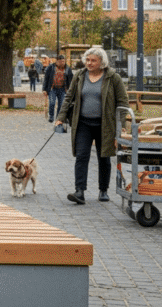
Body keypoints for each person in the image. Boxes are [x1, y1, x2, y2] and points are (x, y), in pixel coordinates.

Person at [55, 47, 129, 205]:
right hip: (83, 123)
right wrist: (60, 117)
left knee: (104, 157)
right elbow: (69, 97)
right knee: (82, 156)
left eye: (93, 60)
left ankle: (103, 190)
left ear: (102, 62)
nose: (89, 63)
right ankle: (79, 191)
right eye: (87, 60)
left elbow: (123, 103)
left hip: (105, 124)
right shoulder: (80, 76)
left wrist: (121, 126)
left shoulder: (113, 78)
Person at [43, 54, 73, 123]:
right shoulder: (51, 67)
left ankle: (58, 117)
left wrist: (70, 89)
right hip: (52, 88)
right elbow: (46, 78)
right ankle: (51, 116)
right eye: (60, 61)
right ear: (56, 61)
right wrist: (44, 89)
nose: (62, 63)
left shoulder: (68, 69)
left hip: (62, 89)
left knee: (61, 104)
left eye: (63, 61)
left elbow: (71, 80)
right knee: (52, 103)